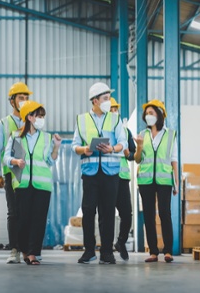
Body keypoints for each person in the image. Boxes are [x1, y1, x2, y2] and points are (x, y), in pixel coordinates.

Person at [71, 83, 127, 265]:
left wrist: (112, 148)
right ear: (95, 100)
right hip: (90, 173)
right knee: (88, 211)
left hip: (111, 173)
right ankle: (89, 251)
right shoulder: (81, 120)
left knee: (108, 213)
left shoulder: (115, 119)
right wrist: (85, 149)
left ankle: (106, 253)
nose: (108, 101)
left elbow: (123, 142)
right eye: (105, 98)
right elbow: (74, 146)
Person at [3, 100, 62, 265]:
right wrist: (15, 161)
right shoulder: (15, 136)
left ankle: (33, 253)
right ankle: (24, 250)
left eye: (43, 116)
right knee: (23, 220)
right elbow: (6, 157)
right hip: (22, 184)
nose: (42, 119)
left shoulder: (47, 137)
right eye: (39, 116)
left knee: (39, 220)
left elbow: (50, 161)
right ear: (29, 117)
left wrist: (56, 147)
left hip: (42, 185)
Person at [134, 99, 179, 263]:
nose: (148, 116)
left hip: (164, 179)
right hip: (145, 180)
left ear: (160, 115)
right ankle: (153, 251)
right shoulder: (142, 134)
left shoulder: (170, 134)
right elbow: (137, 160)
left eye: (151, 113)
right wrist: (138, 147)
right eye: (146, 114)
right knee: (148, 215)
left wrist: (176, 182)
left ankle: (168, 250)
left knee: (165, 213)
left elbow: (174, 159)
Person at [0, 82, 32, 264]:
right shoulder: (3, 124)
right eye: (20, 98)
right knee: (13, 212)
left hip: (29, 173)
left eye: (26, 98)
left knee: (27, 212)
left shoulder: (31, 121)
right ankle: (14, 249)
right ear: (12, 101)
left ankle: (27, 250)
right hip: (11, 173)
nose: (24, 101)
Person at [109, 97, 135, 261]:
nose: (113, 112)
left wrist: (128, 153)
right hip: (107, 177)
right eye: (111, 109)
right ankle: (107, 248)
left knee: (127, 214)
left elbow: (132, 155)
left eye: (115, 109)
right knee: (107, 214)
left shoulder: (126, 132)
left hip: (122, 178)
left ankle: (121, 241)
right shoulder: (100, 131)